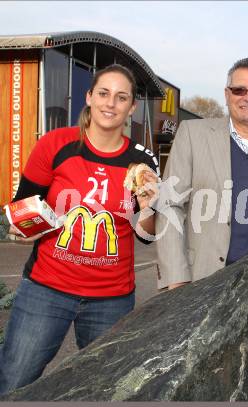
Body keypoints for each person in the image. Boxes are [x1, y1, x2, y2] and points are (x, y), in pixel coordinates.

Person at [0, 64, 159, 394]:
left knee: (103, 389)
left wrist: (149, 207)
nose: (110, 103)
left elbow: (146, 235)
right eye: (103, 93)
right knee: (14, 381)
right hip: (46, 289)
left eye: (121, 97)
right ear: (89, 97)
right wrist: (27, 226)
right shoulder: (56, 143)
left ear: (131, 107)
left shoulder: (141, 160)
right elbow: (22, 208)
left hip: (111, 299)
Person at [156, 57, 248, 290]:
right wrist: (176, 278)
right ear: (227, 94)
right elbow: (170, 206)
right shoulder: (192, 135)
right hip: (196, 282)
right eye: (239, 89)